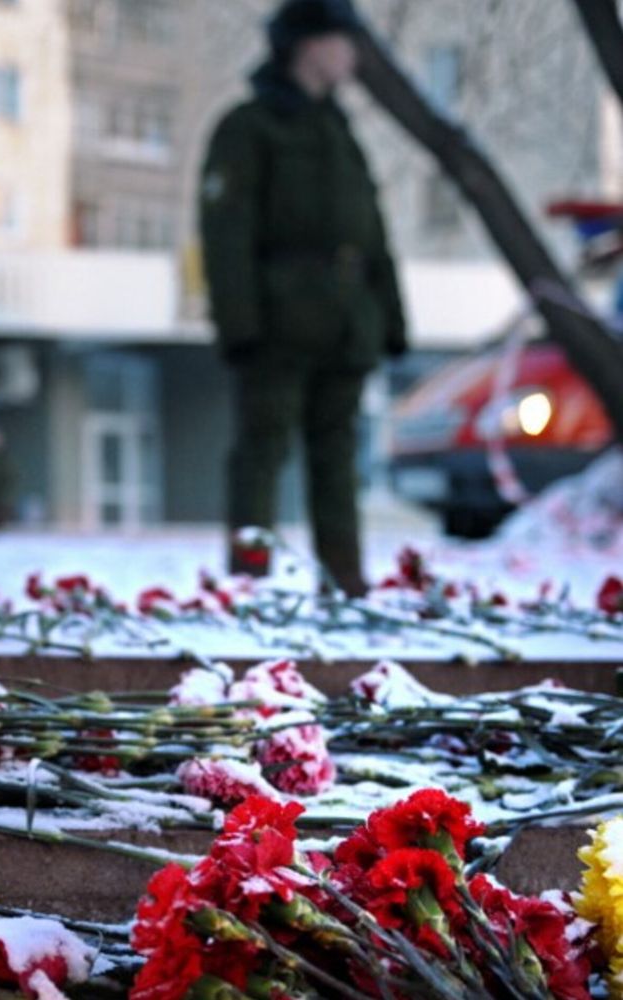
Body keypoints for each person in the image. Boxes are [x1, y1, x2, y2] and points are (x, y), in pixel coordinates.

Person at [198, 0, 406, 597]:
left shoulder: (338, 130)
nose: (352, 54)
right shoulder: (250, 126)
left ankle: (344, 581)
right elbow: (225, 231)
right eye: (344, 39)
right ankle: (249, 581)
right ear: (308, 45)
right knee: (262, 450)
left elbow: (370, 233)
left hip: (346, 321)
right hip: (277, 322)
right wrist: (239, 324)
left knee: (337, 456)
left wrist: (390, 317)